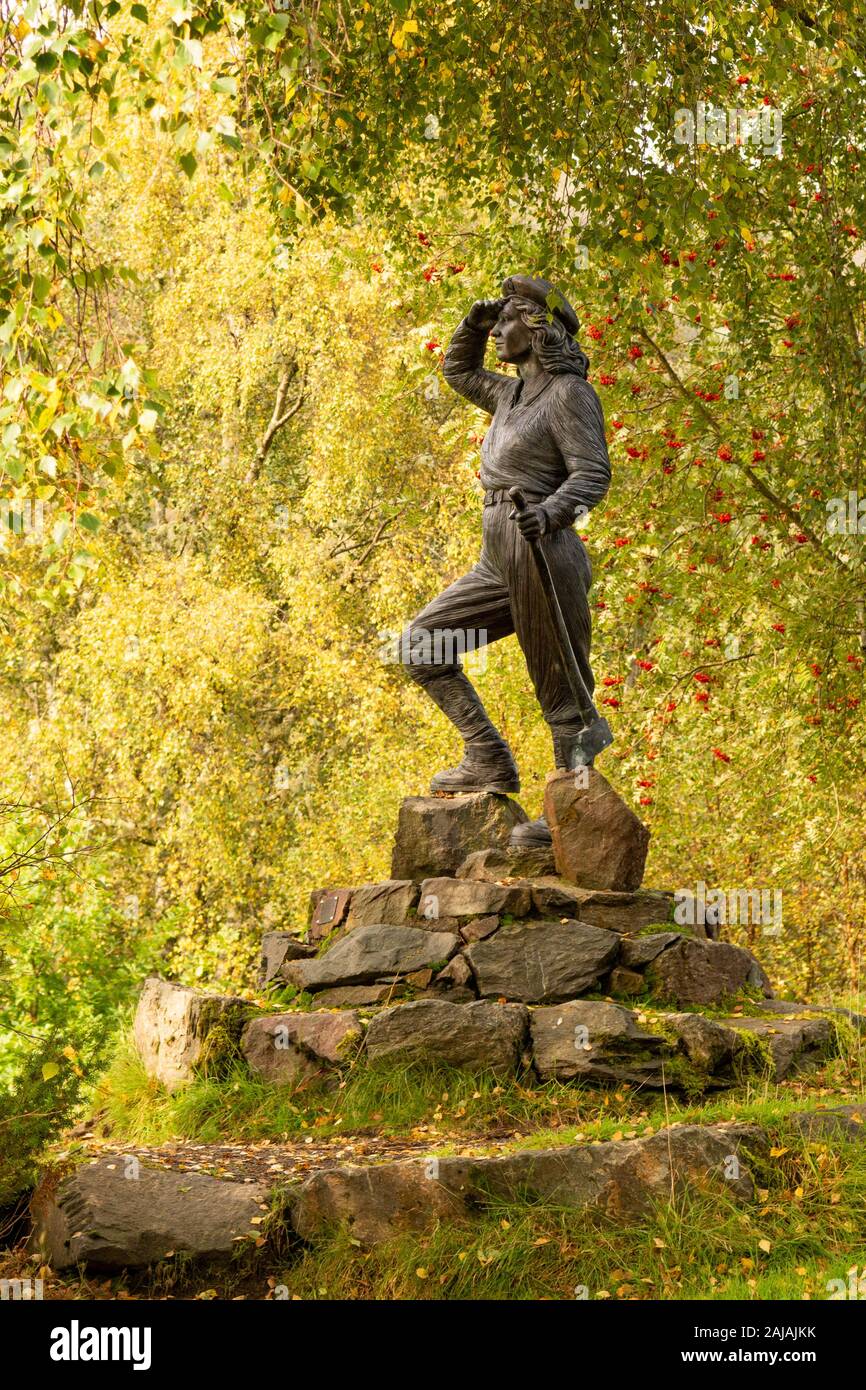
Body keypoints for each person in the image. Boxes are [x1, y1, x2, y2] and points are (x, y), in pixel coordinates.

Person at [402, 274, 611, 848]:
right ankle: (487, 756)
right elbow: (457, 372)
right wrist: (471, 323)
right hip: (499, 557)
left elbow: (592, 473)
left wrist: (551, 513)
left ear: (540, 329)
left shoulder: (569, 394)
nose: (498, 330)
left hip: (543, 552)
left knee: (561, 688)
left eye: (509, 319)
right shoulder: (509, 394)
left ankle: (572, 808)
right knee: (422, 644)